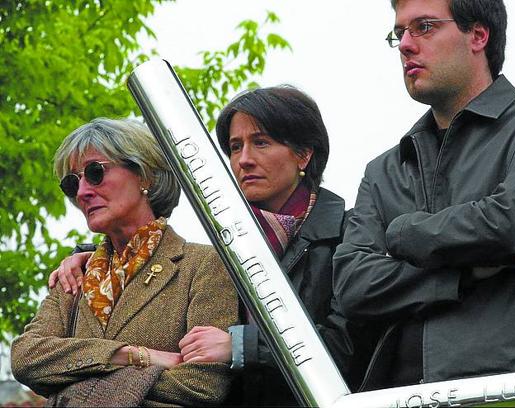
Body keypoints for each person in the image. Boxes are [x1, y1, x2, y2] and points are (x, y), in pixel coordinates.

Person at [49, 87, 364, 405]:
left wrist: (240, 346)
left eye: (261, 143)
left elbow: (348, 346)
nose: (244, 160)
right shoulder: (227, 243)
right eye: (234, 146)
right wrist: (96, 258)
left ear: (304, 154)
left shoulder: (350, 235)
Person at [333, 0, 515, 390]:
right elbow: (353, 285)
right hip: (394, 395)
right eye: (399, 32)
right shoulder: (384, 169)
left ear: (478, 35)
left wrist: (402, 233)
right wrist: (463, 274)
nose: (405, 44)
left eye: (425, 27)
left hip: (511, 388)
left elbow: (511, 227)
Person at [11, 118, 238, 406]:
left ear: (145, 175)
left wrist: (75, 388)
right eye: (72, 182)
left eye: (95, 172)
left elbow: (203, 385)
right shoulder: (76, 273)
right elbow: (26, 357)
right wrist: (135, 355)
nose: (82, 193)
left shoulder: (204, 264)